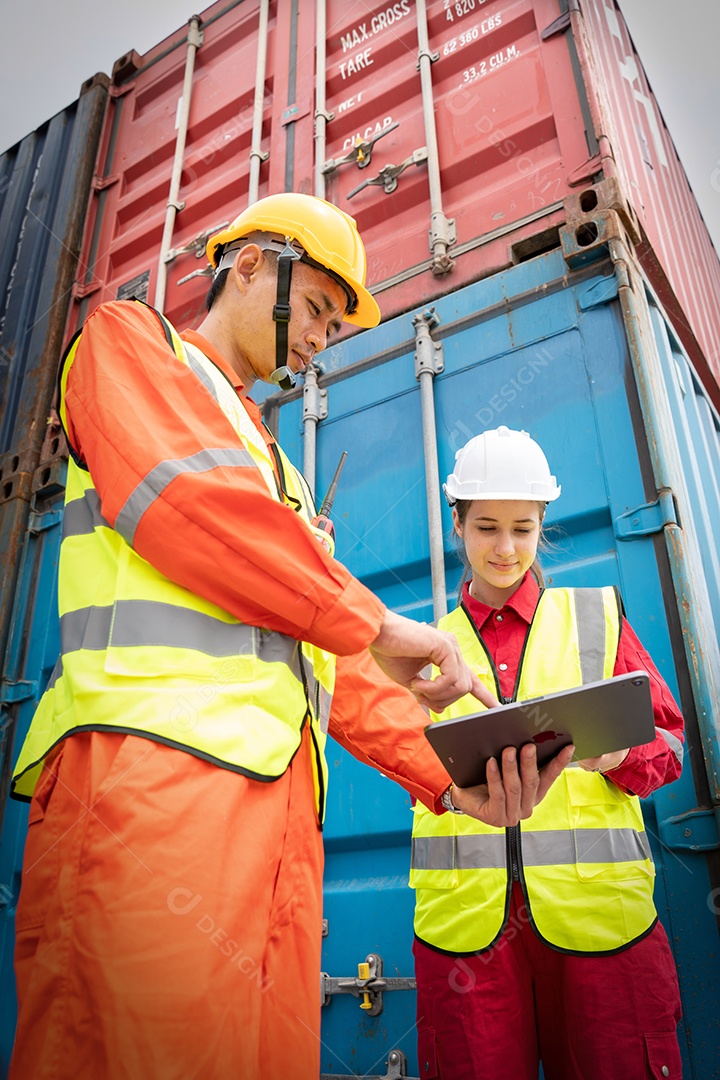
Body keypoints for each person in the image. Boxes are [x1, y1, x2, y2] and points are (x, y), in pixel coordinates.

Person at [7, 196, 573, 1080]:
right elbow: (196, 516)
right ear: (248, 266)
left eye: (333, 325)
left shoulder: (284, 476)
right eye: (315, 308)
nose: (321, 340)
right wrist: (377, 619)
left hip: (275, 836)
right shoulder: (129, 344)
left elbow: (331, 660)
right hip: (147, 798)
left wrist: (456, 776)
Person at [411, 425, 685, 1080]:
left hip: (600, 930)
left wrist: (615, 755)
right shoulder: (424, 651)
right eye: (486, 528)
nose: (505, 549)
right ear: (458, 526)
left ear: (542, 526)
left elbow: (670, 743)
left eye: (523, 528)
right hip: (466, 941)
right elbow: (404, 768)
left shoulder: (596, 618)